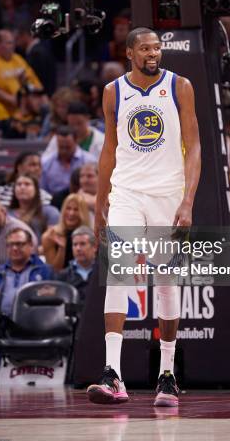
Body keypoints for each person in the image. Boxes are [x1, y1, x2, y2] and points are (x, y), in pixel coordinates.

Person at [86, 27, 201, 407]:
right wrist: (100, 203)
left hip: (168, 195)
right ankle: (113, 374)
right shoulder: (113, 92)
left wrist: (187, 201)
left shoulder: (180, 85)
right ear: (130, 53)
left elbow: (195, 146)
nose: (154, 53)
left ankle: (167, 374)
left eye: (157, 47)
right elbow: (108, 149)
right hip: (128, 193)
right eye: (146, 48)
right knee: (118, 270)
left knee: (166, 282)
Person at [0, 227, 54, 316]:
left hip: (34, 323)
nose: (14, 248)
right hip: (2, 324)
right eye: (10, 244)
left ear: (31, 245)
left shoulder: (45, 271)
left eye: (19, 244)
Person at [0, 29, 43, 124]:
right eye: (9, 43)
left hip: (25, 113)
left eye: (13, 42)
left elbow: (34, 81)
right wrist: (11, 99)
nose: (13, 46)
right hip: (2, 116)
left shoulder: (17, 59)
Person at [40, 126, 96, 195]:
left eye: (67, 147)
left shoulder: (90, 161)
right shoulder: (46, 163)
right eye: (61, 147)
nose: (64, 151)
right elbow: (43, 191)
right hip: (55, 202)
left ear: (76, 141)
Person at [41, 193, 90, 271]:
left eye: (76, 209)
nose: (71, 213)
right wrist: (61, 249)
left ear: (83, 213)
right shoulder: (49, 236)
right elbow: (54, 272)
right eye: (68, 208)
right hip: (60, 281)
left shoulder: (91, 236)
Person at [8, 174, 60, 242]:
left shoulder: (50, 212)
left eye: (27, 184)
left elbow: (52, 240)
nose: (22, 187)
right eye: (19, 184)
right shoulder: (7, 214)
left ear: (36, 189)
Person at [55, 226, 96, 303]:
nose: (78, 248)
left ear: (94, 247)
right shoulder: (63, 276)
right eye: (75, 244)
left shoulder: (104, 273)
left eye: (82, 244)